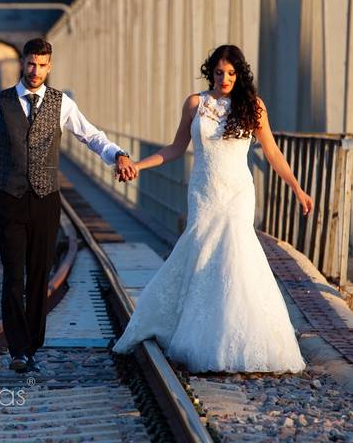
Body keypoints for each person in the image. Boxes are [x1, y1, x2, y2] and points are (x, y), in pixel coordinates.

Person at [111, 44, 310, 373]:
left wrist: (298, 189)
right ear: (211, 72)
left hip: (238, 193)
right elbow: (176, 149)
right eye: (219, 72)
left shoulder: (253, 107)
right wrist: (139, 165)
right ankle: (198, 333)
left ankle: (241, 342)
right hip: (204, 193)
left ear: (239, 74)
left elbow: (273, 153)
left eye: (231, 73)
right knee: (202, 255)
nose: (225, 78)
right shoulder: (195, 104)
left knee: (236, 257)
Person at [0, 37, 137, 374]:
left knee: (39, 277)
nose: (36, 71)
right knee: (13, 277)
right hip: (9, 199)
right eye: (31, 64)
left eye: (42, 65)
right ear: (22, 62)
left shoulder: (62, 104)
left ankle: (32, 346)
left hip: (46, 201)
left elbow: (91, 136)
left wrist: (117, 154)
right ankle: (18, 350)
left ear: (50, 66)